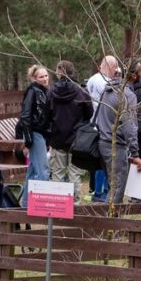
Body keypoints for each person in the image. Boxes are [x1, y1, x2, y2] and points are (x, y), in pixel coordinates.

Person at [94, 61, 141, 206]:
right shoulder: (127, 95)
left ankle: (109, 222)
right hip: (115, 145)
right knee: (117, 188)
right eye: (140, 71)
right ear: (134, 76)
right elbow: (130, 126)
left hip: (102, 142)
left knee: (113, 186)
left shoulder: (107, 89)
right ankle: (109, 225)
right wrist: (135, 154)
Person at [48, 60, 93, 204]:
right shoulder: (81, 92)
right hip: (76, 139)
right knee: (75, 174)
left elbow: (46, 115)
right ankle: (75, 206)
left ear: (59, 72)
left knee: (57, 173)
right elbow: (89, 113)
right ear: (72, 71)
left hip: (57, 138)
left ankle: (58, 205)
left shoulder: (51, 93)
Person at [86, 56, 117, 202]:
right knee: (106, 160)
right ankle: (103, 192)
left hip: (93, 124)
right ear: (111, 67)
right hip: (105, 126)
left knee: (97, 161)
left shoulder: (92, 80)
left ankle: (97, 191)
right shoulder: (107, 83)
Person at [19, 65, 52, 201]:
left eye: (46, 76)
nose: (45, 79)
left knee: (32, 170)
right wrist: (28, 137)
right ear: (34, 78)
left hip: (41, 133)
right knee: (43, 171)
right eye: (41, 77)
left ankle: (25, 203)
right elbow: (25, 115)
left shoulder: (44, 91)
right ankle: (43, 203)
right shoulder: (32, 91)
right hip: (35, 133)